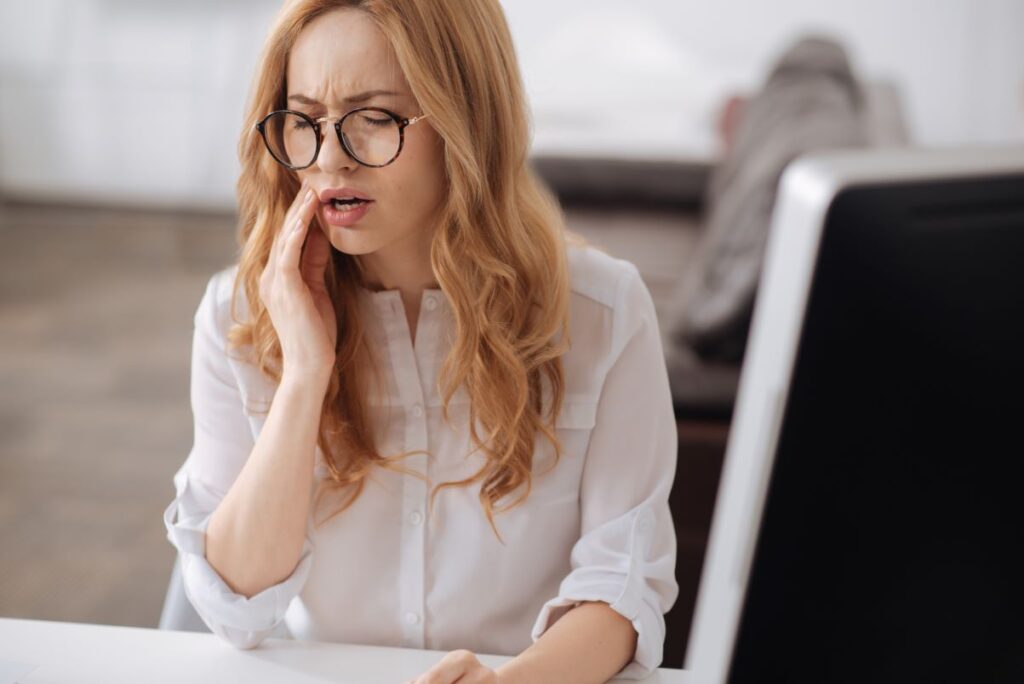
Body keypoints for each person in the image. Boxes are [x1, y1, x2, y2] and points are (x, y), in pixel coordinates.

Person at [162, 1, 679, 682]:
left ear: (465, 121)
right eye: (304, 120)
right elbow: (238, 609)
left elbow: (622, 587)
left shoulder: (603, 313)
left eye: (374, 119)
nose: (330, 158)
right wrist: (304, 376)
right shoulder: (239, 313)